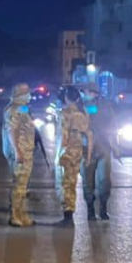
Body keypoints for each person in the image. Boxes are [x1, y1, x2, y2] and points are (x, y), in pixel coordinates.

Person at [2, 83, 42, 227]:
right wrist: (17, 151)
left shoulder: (23, 107)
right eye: (27, 92)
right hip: (20, 152)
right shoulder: (14, 109)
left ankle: (21, 214)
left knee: (23, 186)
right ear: (19, 94)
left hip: (26, 150)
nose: (29, 95)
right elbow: (11, 131)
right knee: (19, 184)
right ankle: (14, 215)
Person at [83, 86, 121, 220]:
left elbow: (113, 126)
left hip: (102, 148)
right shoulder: (79, 107)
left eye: (89, 92)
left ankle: (102, 209)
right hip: (86, 149)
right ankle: (90, 210)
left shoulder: (105, 107)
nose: (86, 94)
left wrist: (115, 146)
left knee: (104, 181)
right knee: (89, 182)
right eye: (86, 92)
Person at [56, 85, 92, 227]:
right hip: (78, 151)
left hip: (68, 151)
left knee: (67, 184)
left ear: (66, 98)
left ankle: (68, 216)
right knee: (72, 181)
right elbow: (88, 134)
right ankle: (69, 214)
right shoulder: (83, 113)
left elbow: (63, 135)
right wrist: (88, 155)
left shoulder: (65, 113)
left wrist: (60, 152)